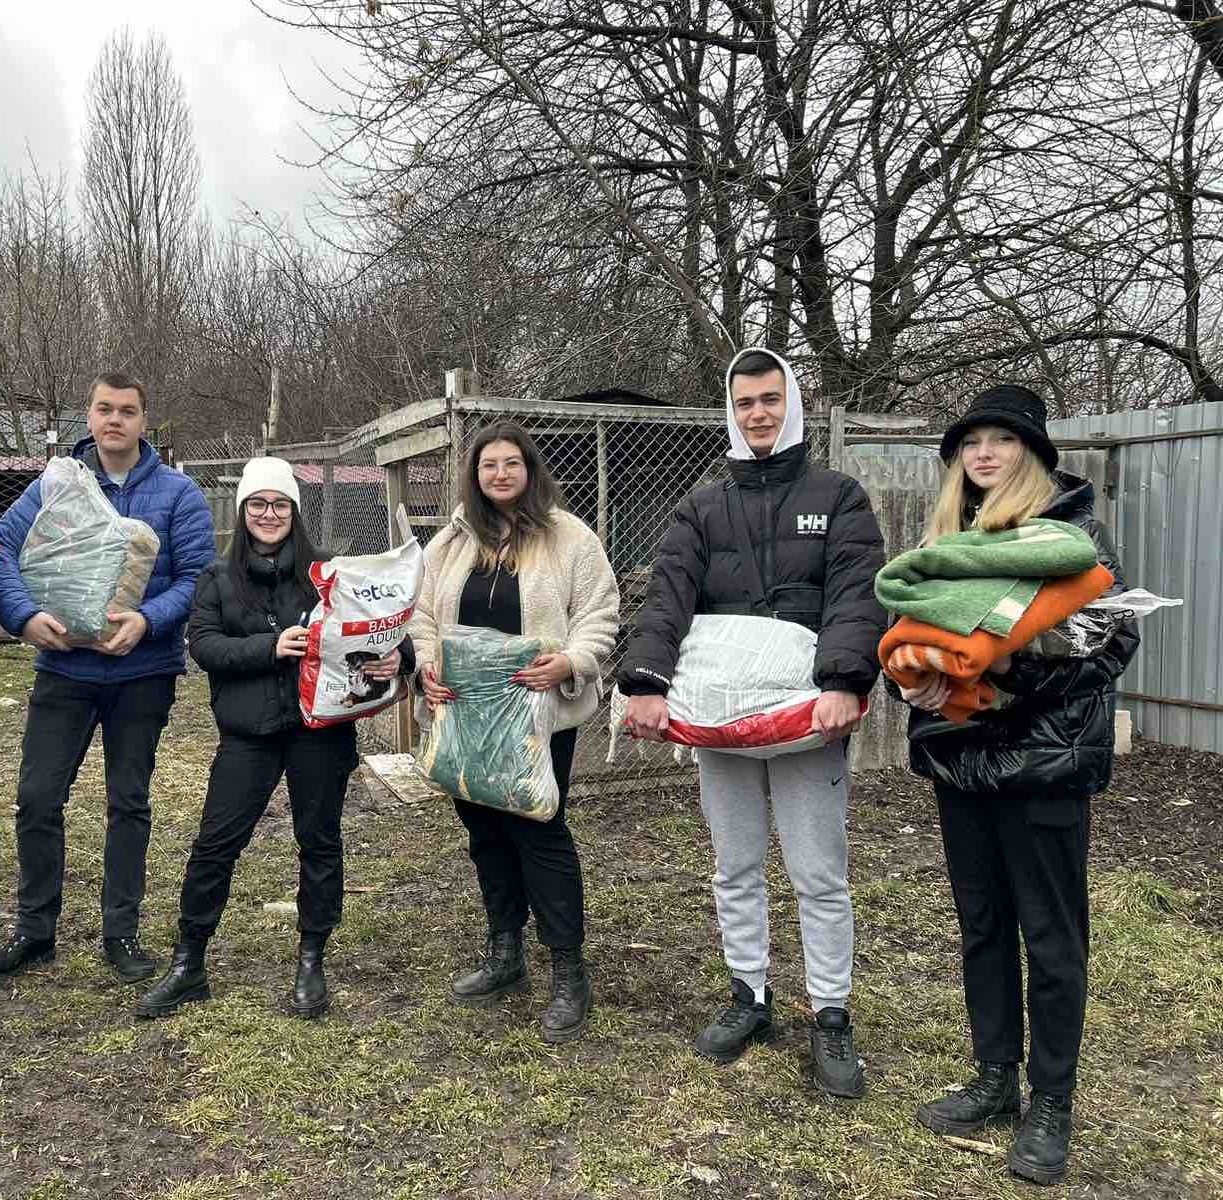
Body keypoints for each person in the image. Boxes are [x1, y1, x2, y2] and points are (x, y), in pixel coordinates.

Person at [618, 347, 886, 1096]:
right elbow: (669, 596)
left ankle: (830, 1013)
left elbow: (856, 591)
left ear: (791, 404)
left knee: (818, 873)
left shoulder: (839, 497)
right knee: (734, 865)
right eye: (745, 403)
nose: (758, 414)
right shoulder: (702, 506)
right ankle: (749, 994)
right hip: (724, 717)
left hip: (805, 715)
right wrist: (646, 681)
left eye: (770, 400)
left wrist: (844, 679)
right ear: (731, 413)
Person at [903, 386, 1139, 1186]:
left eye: (1002, 440)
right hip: (961, 761)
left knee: (1051, 936)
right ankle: (995, 1077)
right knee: (983, 926)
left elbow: (1110, 646)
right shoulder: (949, 541)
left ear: (1032, 454)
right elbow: (916, 639)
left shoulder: (1074, 538)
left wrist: (1006, 673)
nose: (985, 453)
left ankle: (1052, 1102)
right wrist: (917, 680)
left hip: (1044, 765)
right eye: (971, 442)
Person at [135, 457, 410, 1019]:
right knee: (216, 843)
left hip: (320, 731)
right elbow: (203, 645)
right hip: (249, 732)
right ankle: (189, 961)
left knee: (319, 841)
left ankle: (312, 958)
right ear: (243, 511)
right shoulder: (217, 577)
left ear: (294, 511)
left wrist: (397, 657)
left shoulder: (330, 571)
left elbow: (382, 625)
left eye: (280, 504)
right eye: (257, 504)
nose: (268, 513)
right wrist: (269, 647)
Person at [0, 372, 215, 984]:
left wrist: (147, 619)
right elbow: (0, 552)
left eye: (127, 411)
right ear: (89, 417)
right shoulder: (57, 486)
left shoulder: (177, 494)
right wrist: (24, 617)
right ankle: (35, 930)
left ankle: (121, 932)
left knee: (128, 801)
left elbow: (198, 577)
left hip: (143, 672)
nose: (115, 420)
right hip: (65, 668)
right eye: (105, 409)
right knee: (37, 798)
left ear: (143, 421)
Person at [411, 421, 620, 1045]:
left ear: (530, 471)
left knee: (539, 828)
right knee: (484, 830)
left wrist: (571, 662)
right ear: (474, 475)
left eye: (511, 463)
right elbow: (419, 614)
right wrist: (427, 666)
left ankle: (568, 970)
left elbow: (599, 612)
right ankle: (506, 951)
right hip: (466, 711)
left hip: (535, 714)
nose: (500, 474)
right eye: (488, 465)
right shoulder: (452, 543)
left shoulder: (568, 537)